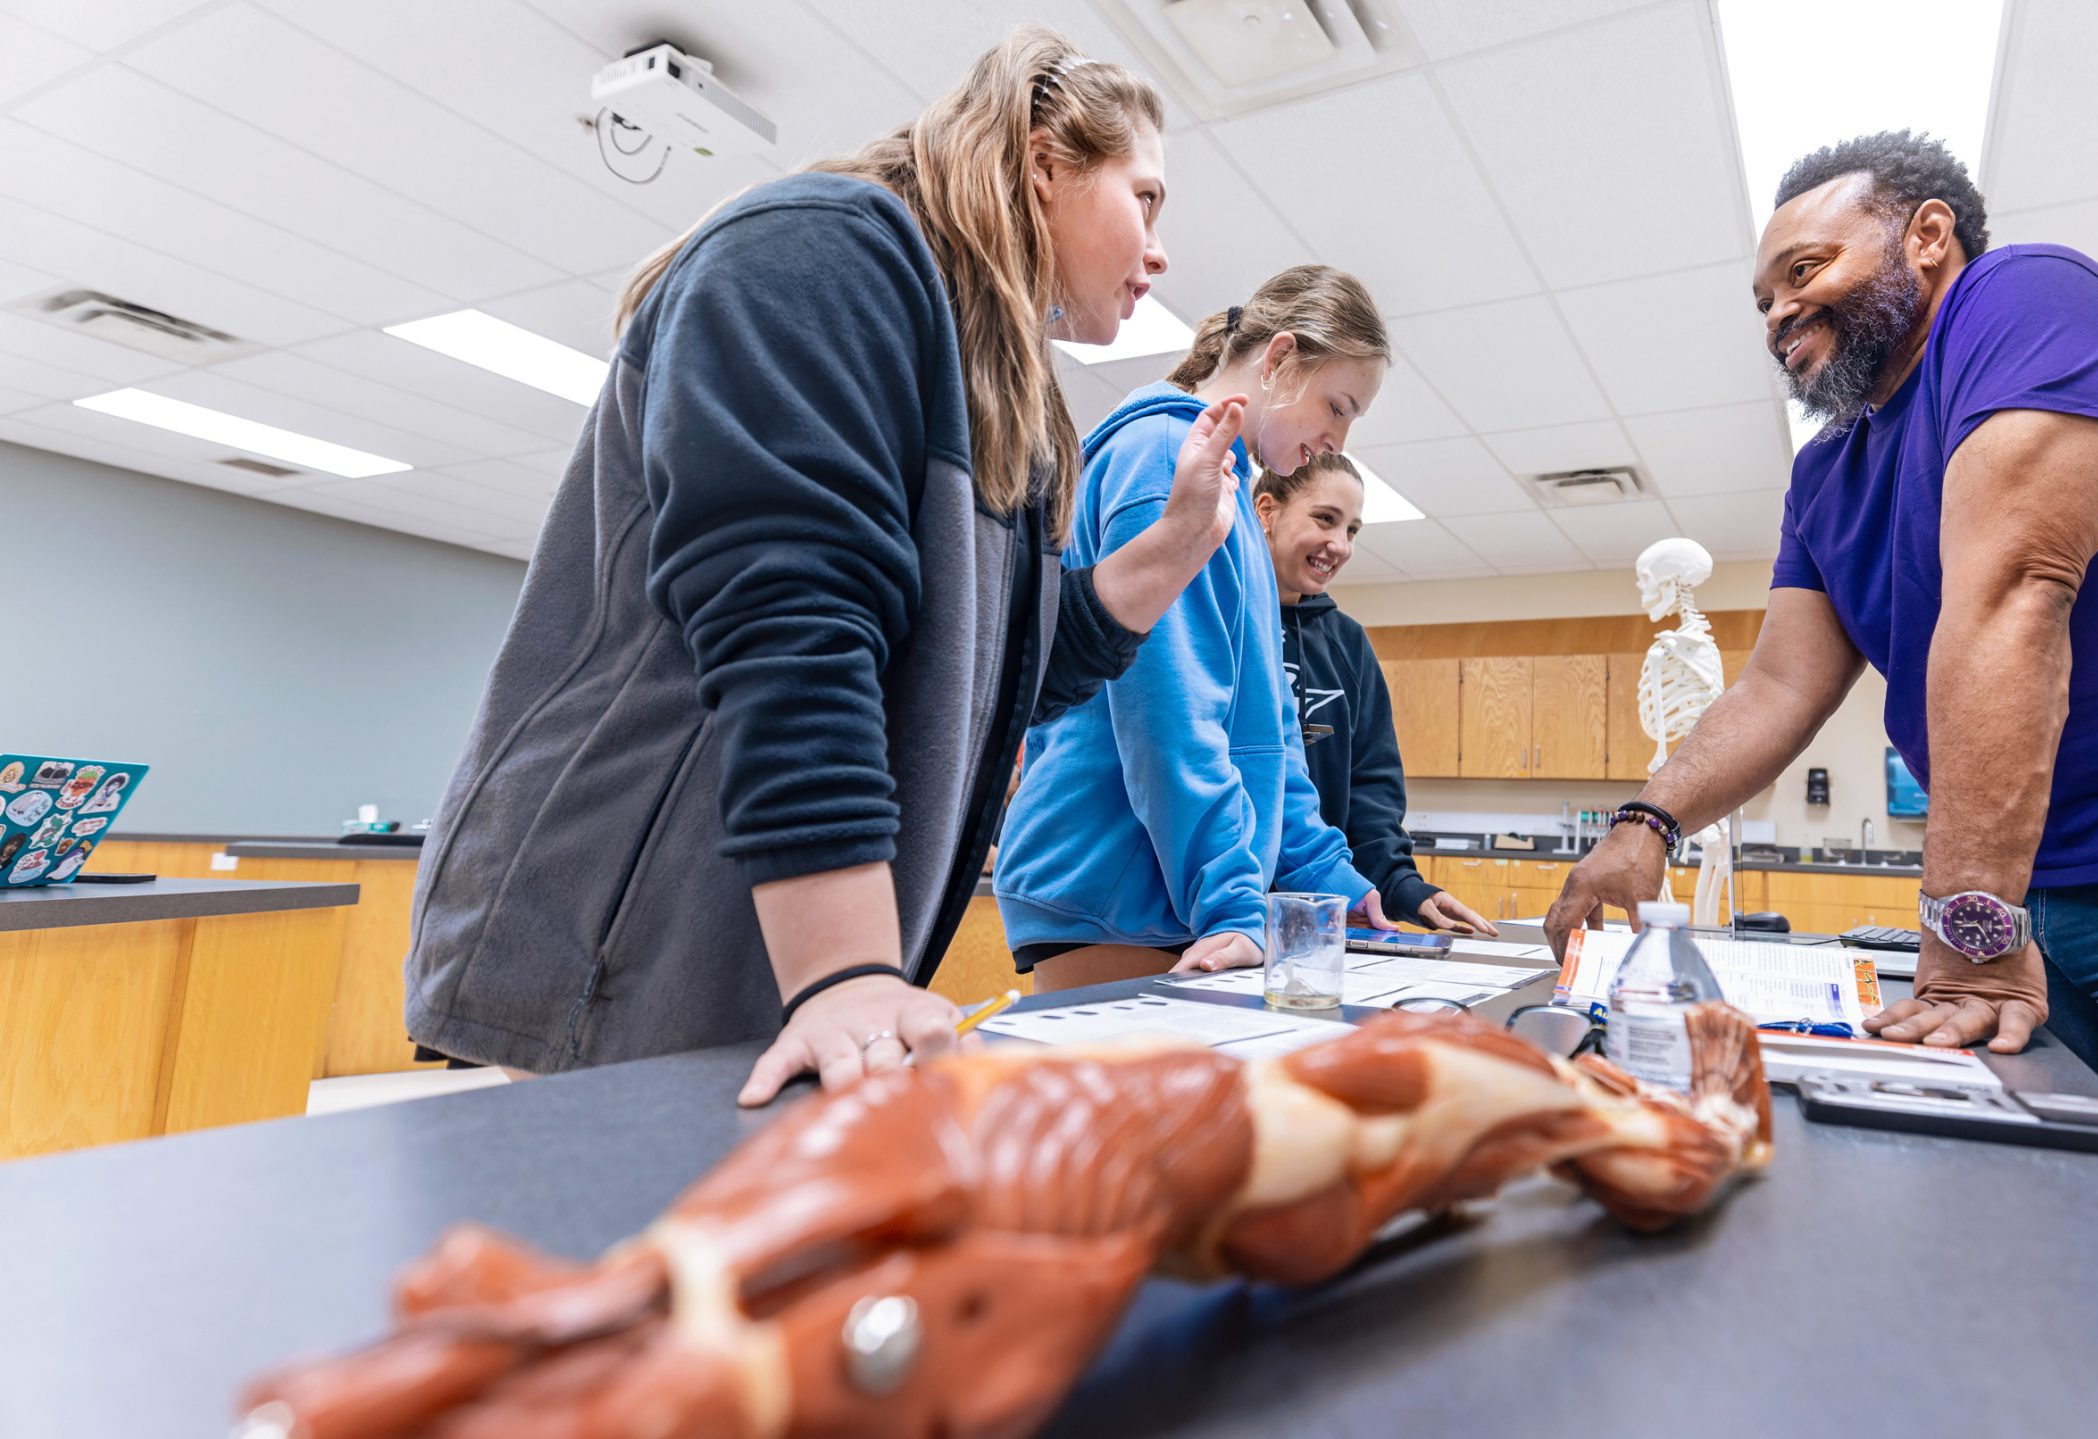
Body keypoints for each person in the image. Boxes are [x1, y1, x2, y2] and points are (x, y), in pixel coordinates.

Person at [1545, 130, 2098, 1352]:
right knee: (2089, 1268)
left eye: (1804, 269)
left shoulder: (2024, 303)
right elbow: (1779, 684)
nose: (1778, 311)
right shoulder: (1826, 476)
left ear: (1926, 236)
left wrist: (1967, 928)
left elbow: (2014, 594)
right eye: (1761, 299)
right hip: (2044, 898)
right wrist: (1644, 823)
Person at [405, 28, 1245, 1106]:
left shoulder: (1002, 389)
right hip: (618, 924)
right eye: (1146, 198)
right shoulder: (822, 252)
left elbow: (999, 680)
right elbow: (788, 613)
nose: (1159, 252)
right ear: (1044, 163)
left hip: (756, 932)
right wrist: (845, 970)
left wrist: (1175, 546)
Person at [996, 266, 1395, 989]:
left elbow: (1269, 733)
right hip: (1113, 889)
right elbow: (1169, 719)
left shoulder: (1231, 494)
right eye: (1336, 406)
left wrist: (1325, 873)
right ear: (1279, 358)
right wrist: (1231, 903)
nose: (1335, 440)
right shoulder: (1166, 459)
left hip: (1167, 894)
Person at [1256, 453, 1496, 936]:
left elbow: (1371, 789)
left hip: (1320, 910)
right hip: (1208, 911)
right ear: (1266, 511)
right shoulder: (1219, 619)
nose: (1340, 545)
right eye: (1325, 519)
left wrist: (1403, 885)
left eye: (1352, 530)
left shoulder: (1346, 643)